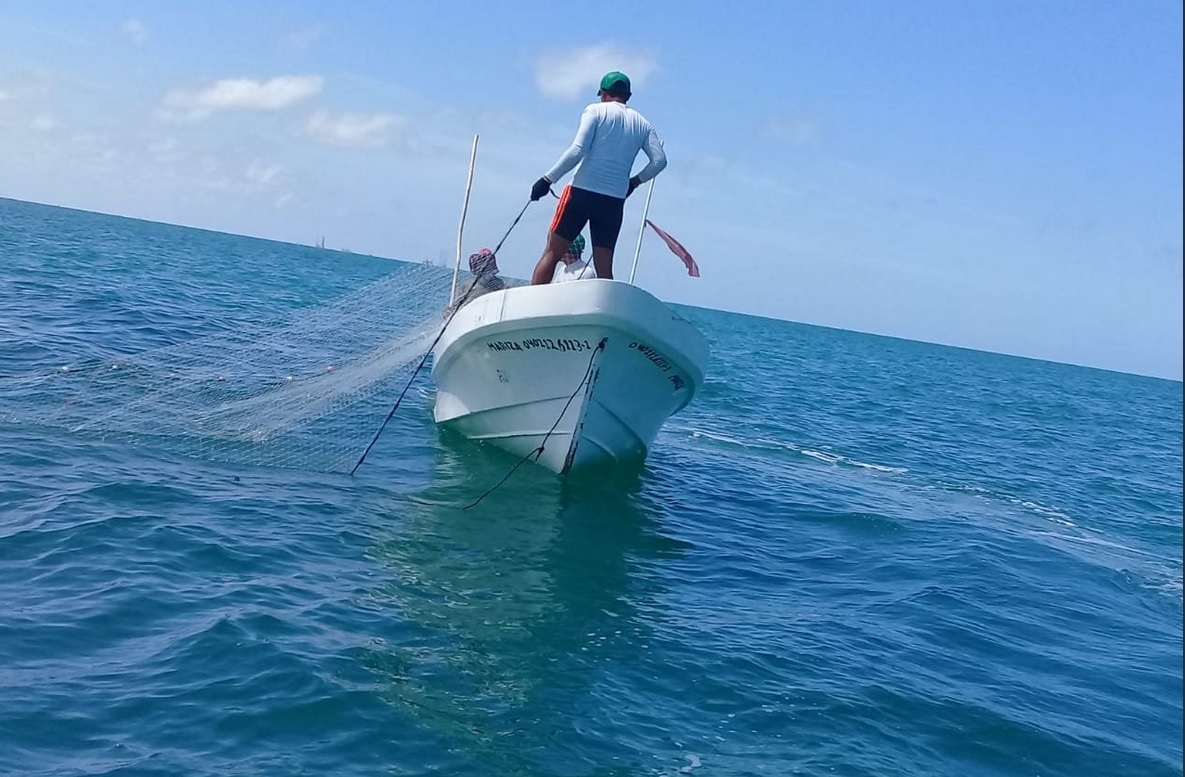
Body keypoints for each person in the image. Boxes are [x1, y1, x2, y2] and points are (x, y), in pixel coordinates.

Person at [528, 70, 667, 285]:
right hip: (613, 201)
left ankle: (531, 304)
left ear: (602, 92)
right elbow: (659, 162)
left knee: (552, 254)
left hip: (580, 194)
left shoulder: (595, 110)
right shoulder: (643, 124)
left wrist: (547, 180)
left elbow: (578, 150)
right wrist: (634, 182)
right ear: (628, 97)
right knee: (604, 268)